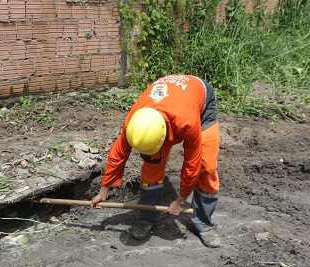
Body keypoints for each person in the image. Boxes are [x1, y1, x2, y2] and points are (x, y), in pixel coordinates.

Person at [90, 74, 221, 248]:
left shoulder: (187, 123)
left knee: (206, 167)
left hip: (200, 100)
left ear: (164, 134)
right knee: (152, 167)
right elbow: (117, 155)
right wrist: (103, 190)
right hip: (166, 106)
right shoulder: (134, 122)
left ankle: (203, 224)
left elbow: (192, 162)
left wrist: (181, 200)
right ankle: (147, 218)